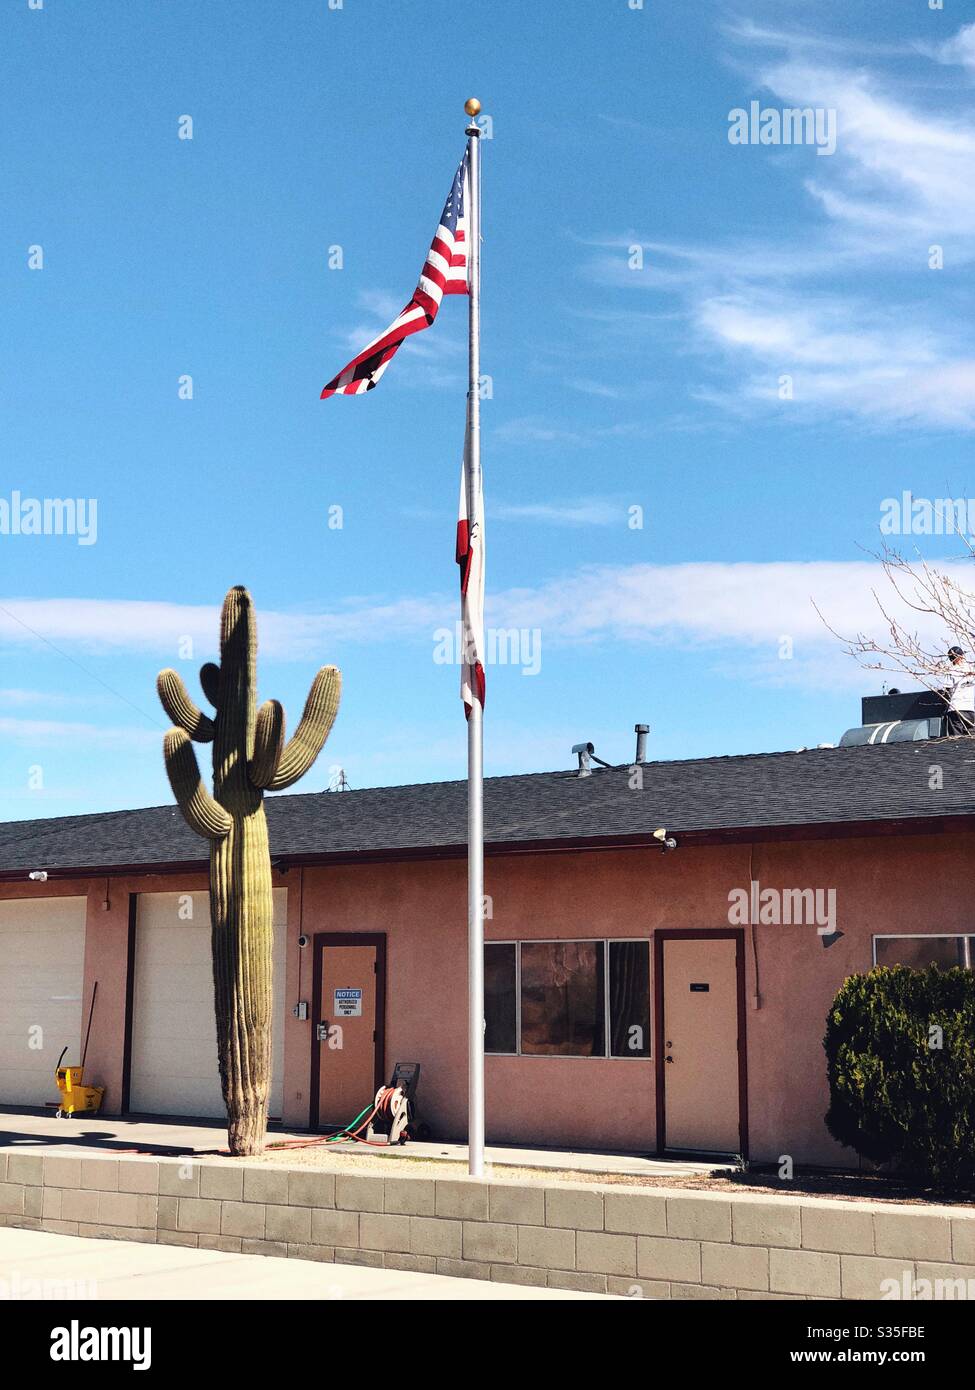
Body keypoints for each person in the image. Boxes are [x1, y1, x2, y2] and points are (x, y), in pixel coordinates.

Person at [944, 645, 975, 736]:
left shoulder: (951, 671)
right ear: (962, 656)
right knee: (970, 741)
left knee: (956, 740)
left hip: (956, 708)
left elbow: (946, 691)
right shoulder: (972, 669)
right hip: (970, 710)